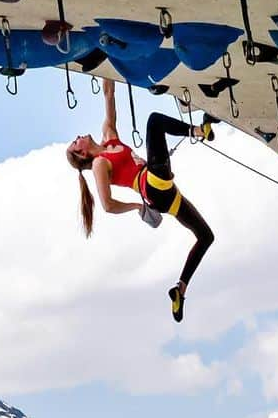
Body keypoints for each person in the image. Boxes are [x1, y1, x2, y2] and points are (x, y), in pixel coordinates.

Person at [66, 78, 216, 323]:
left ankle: (180, 290)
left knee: (206, 236)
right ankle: (198, 131)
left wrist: (107, 58)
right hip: (151, 188)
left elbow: (108, 93)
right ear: (81, 153)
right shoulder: (99, 164)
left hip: (166, 194)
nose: (77, 137)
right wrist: (137, 206)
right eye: (75, 143)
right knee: (154, 121)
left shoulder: (109, 136)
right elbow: (107, 204)